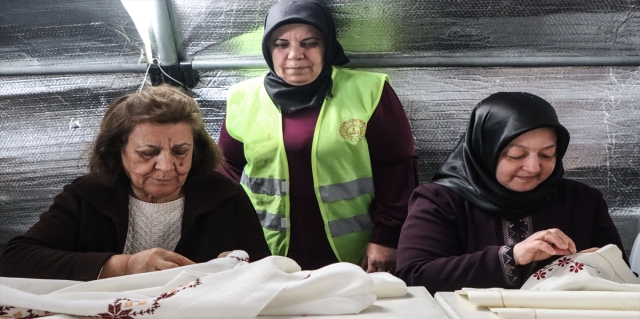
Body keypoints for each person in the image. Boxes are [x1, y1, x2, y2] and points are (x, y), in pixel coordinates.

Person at [218, 0, 418, 272]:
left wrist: (387, 237)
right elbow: (227, 171)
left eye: (309, 43)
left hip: (355, 253)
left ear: (328, 46)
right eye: (281, 44)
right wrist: (228, 237)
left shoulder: (368, 91)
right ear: (268, 49)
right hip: (267, 251)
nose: (295, 54)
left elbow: (396, 169)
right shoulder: (243, 97)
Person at [0, 85, 271, 281]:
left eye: (180, 151)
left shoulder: (224, 196)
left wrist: (238, 267)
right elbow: (14, 259)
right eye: (147, 153)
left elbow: (265, 270)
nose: (166, 166)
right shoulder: (87, 195)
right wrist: (124, 266)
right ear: (118, 153)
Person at [396, 92, 628, 294]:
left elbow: (623, 278)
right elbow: (414, 276)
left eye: (547, 155)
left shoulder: (582, 201)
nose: (533, 167)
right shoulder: (440, 200)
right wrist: (512, 256)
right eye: (516, 155)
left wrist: (595, 266)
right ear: (485, 151)